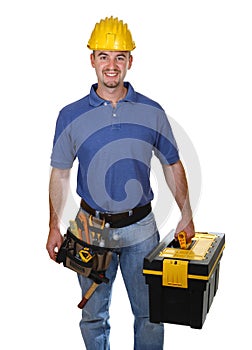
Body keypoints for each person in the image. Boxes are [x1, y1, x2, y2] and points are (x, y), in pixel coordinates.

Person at [46, 16, 195, 350]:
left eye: (119, 57)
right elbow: (60, 173)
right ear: (92, 60)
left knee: (151, 315)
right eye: (103, 56)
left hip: (141, 228)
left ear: (130, 61)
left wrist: (185, 215)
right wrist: (54, 225)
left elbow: (172, 163)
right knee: (94, 316)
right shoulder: (70, 116)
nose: (111, 65)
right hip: (89, 229)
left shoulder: (152, 112)